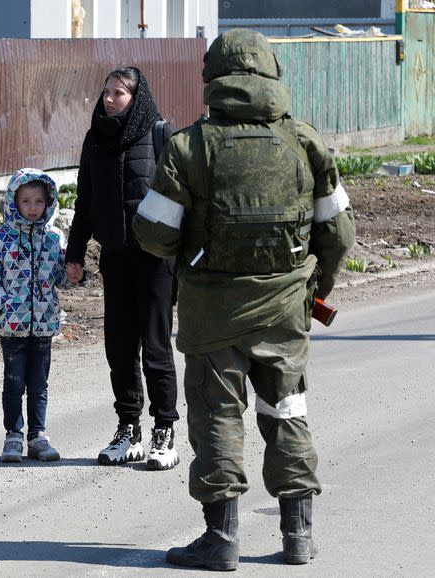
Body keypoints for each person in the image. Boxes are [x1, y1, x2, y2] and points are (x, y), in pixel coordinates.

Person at [132, 30, 356, 570]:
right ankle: (298, 537)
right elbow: (340, 234)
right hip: (286, 311)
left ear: (212, 78)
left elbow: (152, 233)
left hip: (212, 314)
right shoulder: (306, 142)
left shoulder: (189, 146)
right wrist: (313, 289)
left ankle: (221, 540)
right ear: (272, 74)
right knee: (287, 411)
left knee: (216, 416)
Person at [65, 66, 180, 470]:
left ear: (137, 97)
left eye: (119, 93)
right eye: (107, 91)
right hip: (115, 256)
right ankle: (127, 428)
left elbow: (182, 200)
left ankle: (164, 430)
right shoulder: (96, 139)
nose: (109, 99)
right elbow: (85, 201)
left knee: (156, 347)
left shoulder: (162, 135)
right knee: (119, 347)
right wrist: (75, 253)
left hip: (156, 260)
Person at [0, 169, 66, 463]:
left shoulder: (54, 238)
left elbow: (61, 276)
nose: (32, 207)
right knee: (14, 381)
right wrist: (1, 304)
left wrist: (75, 271)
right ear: (13, 201)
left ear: (48, 202)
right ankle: (13, 435)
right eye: (26, 200)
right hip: (11, 325)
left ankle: (38, 436)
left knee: (39, 383)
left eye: (39, 201)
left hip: (44, 323)